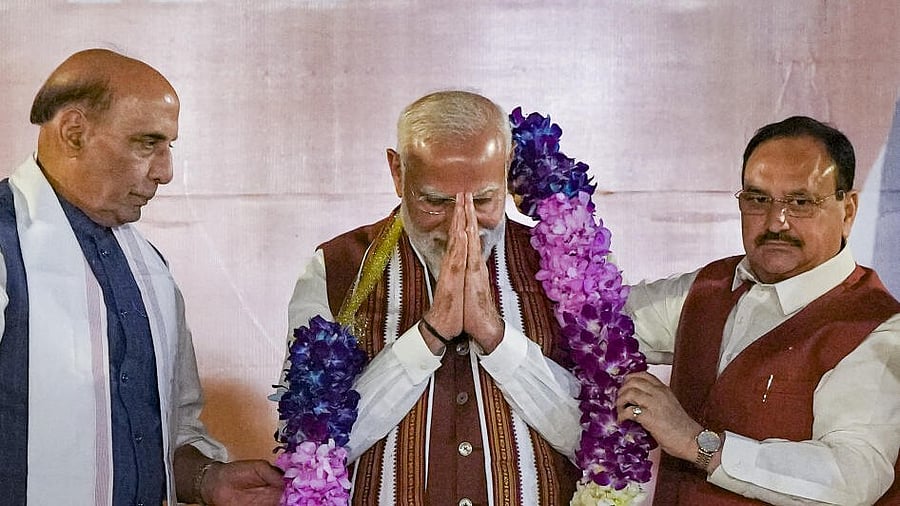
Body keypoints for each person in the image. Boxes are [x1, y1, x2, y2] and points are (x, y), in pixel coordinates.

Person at [0, 49, 282, 505]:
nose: (166, 172)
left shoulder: (149, 266)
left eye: (168, 147)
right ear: (75, 132)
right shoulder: (5, 247)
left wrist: (205, 479)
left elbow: (172, 429)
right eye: (147, 143)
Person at [283, 90, 583, 504]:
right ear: (397, 172)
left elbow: (597, 438)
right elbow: (313, 450)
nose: (460, 224)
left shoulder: (567, 265)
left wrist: (495, 336)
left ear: (507, 167)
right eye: (435, 202)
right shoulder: (338, 268)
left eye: (482, 200)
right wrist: (430, 333)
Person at [615, 116, 900, 505]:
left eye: (800, 202)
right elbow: (595, 323)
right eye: (758, 199)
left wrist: (698, 443)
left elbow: (852, 476)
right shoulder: (710, 287)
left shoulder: (876, 327)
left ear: (847, 210)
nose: (775, 222)